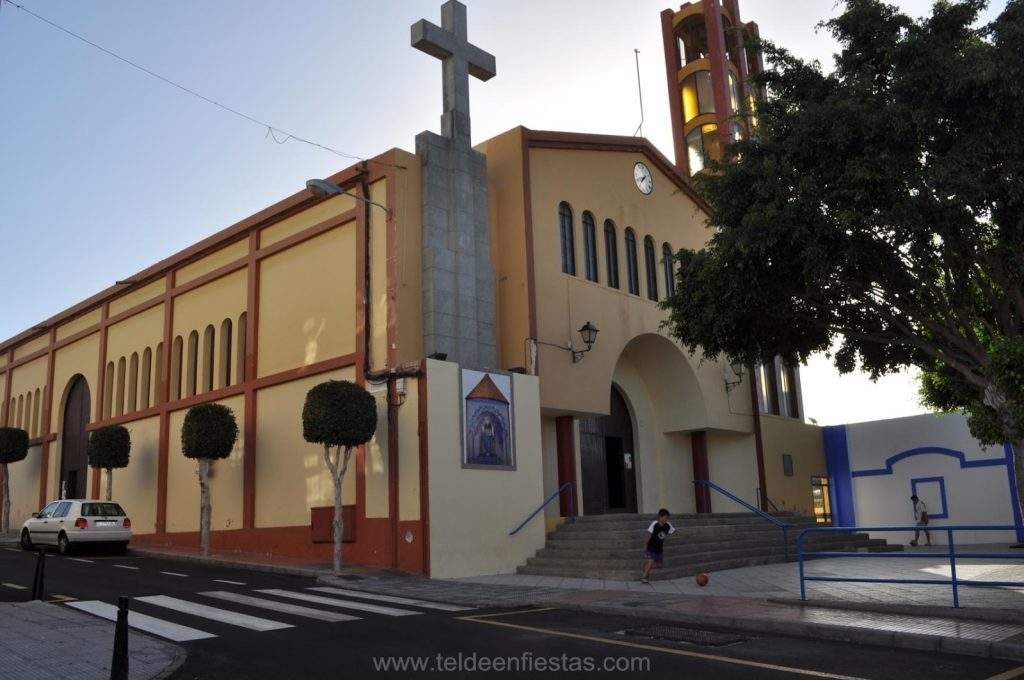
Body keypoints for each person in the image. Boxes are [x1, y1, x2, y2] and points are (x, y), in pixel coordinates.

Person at [641, 508, 676, 583]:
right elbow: (649, 534)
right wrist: (646, 544)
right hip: (651, 546)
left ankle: (646, 567)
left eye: (667, 518)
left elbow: (674, 531)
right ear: (660, 517)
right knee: (651, 561)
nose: (666, 519)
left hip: (659, 548)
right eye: (665, 518)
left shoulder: (668, 525)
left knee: (659, 565)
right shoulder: (655, 524)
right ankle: (645, 577)